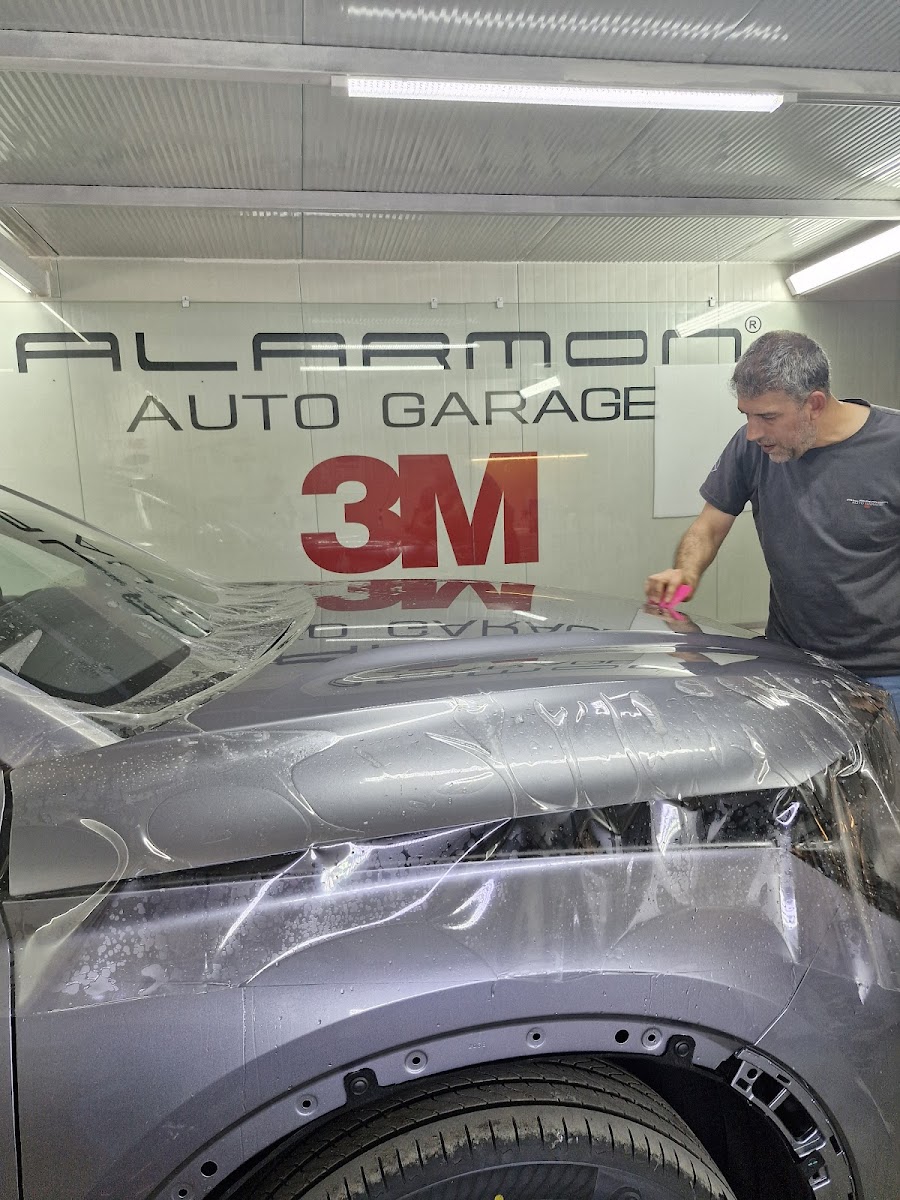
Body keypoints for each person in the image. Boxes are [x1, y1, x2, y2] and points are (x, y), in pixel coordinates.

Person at [645, 330, 900, 718]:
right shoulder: (752, 448)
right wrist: (686, 571)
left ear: (814, 404)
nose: (753, 433)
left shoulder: (892, 447)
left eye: (767, 417)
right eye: (746, 415)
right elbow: (709, 525)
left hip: (887, 674)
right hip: (791, 662)